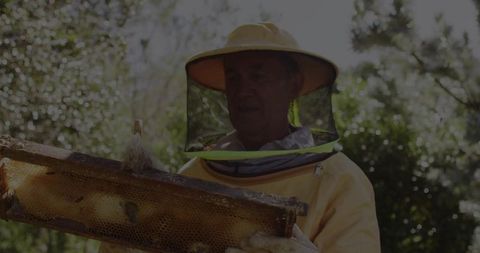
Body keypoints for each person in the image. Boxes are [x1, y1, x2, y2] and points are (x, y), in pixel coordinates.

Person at [99, 22, 381, 253]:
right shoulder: (194, 174)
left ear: (293, 86)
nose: (242, 91)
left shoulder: (340, 181)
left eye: (258, 76)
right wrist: (127, 230)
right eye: (233, 78)